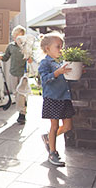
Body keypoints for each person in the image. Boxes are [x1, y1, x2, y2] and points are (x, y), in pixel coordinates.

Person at [38, 32, 75, 167]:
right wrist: (57, 73)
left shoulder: (63, 62)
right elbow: (44, 79)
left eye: (62, 47)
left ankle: (48, 138)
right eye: (58, 47)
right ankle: (52, 152)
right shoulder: (45, 63)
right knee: (54, 126)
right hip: (53, 98)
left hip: (64, 97)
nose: (61, 49)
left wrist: (76, 71)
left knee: (67, 126)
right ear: (47, 48)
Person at [0, 25, 31, 124]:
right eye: (14, 36)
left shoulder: (26, 46)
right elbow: (5, 58)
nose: (16, 38)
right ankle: (23, 108)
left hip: (23, 74)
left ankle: (22, 114)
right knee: (16, 93)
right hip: (13, 73)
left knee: (21, 94)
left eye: (18, 36)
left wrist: (29, 58)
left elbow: (31, 59)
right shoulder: (11, 46)